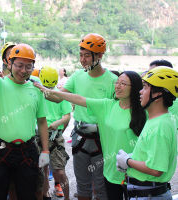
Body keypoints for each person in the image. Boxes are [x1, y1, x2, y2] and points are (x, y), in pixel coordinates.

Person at [35, 70, 147, 199]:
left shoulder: (144, 111)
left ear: (135, 88)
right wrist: (49, 90)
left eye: (123, 83)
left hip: (135, 172)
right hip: (111, 172)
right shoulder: (107, 105)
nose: (117, 86)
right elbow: (79, 99)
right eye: (117, 82)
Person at [39, 33, 116, 200]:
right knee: (82, 186)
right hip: (80, 137)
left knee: (101, 187)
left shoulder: (112, 81)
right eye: (81, 55)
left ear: (100, 56)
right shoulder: (77, 76)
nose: (82, 60)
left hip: (102, 138)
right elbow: (58, 97)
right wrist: (39, 89)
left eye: (87, 55)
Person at [0, 19, 49, 200]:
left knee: (27, 195)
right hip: (1, 149)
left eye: (28, 66)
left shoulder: (36, 89)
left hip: (27, 150)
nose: (23, 70)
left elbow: (42, 121)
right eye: (19, 65)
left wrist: (46, 150)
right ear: (9, 64)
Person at [117, 67, 178, 200]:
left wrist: (127, 161)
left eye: (145, 87)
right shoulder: (158, 119)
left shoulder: (160, 126)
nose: (140, 91)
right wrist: (132, 158)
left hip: (149, 195)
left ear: (158, 95)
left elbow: (156, 169)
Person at [39, 66, 72, 200]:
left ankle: (66, 196)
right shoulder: (39, 92)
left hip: (52, 135)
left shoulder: (59, 94)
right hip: (43, 134)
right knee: (43, 168)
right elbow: (67, 117)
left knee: (58, 170)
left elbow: (67, 116)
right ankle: (45, 193)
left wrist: (56, 126)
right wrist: (59, 128)